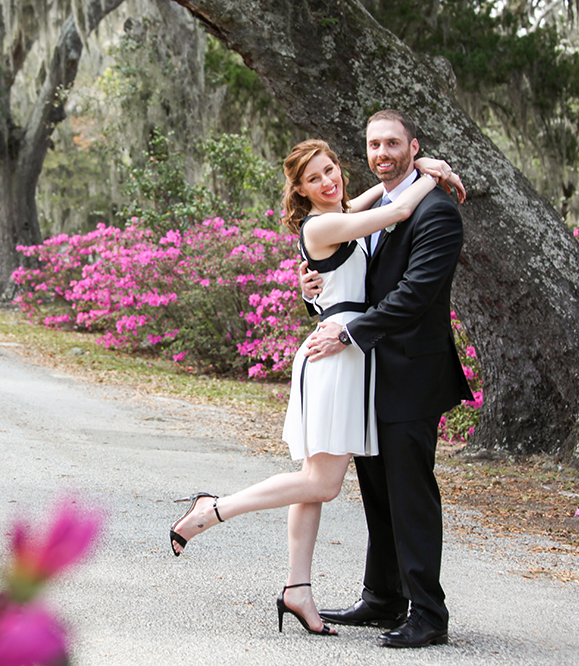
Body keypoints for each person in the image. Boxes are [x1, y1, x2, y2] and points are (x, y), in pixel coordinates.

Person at [167, 137, 463, 638]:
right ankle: (212, 510)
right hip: (335, 358)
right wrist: (432, 171)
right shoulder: (325, 223)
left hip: (344, 353)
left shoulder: (338, 212)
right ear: (300, 192)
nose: (329, 181)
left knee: (312, 477)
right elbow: (398, 206)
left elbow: (371, 199)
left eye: (331, 170)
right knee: (322, 483)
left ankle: (297, 589)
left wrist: (412, 167)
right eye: (314, 178)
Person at [303, 109, 469, 649]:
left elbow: (414, 297)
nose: (382, 153)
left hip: (411, 375)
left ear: (412, 146)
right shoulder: (370, 205)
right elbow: (347, 277)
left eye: (393, 144)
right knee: (377, 491)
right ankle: (383, 597)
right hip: (369, 375)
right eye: (374, 145)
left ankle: (429, 613)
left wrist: (348, 336)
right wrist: (313, 288)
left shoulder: (437, 213)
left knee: (411, 493)